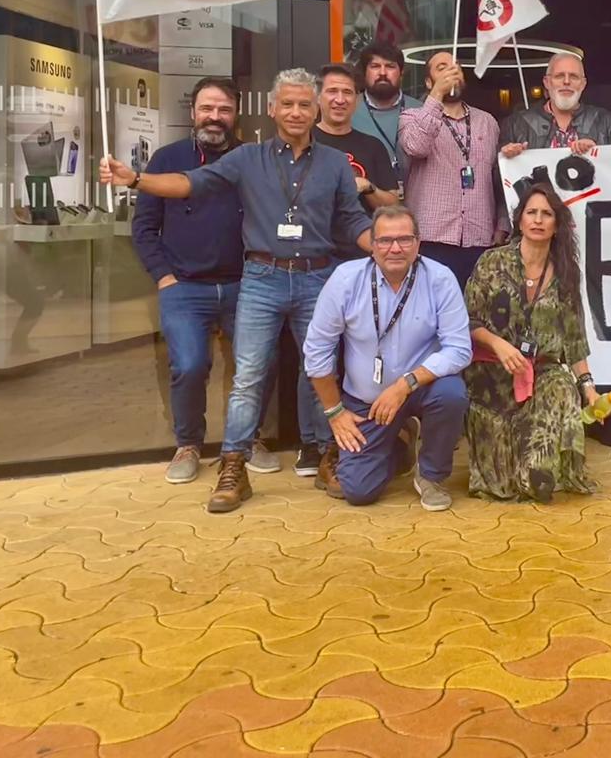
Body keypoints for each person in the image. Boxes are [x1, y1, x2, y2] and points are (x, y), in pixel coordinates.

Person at [100, 68, 373, 511]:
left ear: (316, 108)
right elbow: (189, 183)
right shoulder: (248, 159)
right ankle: (233, 468)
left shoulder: (335, 165)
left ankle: (329, 456)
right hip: (261, 280)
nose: (297, 112)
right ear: (272, 109)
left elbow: (353, 220)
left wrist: (385, 247)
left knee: (321, 371)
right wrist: (135, 180)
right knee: (247, 377)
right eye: (288, 103)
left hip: (316, 280)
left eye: (305, 104)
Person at [130, 76, 281, 483]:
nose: (215, 117)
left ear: (235, 114)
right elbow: (143, 227)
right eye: (207, 109)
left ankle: (247, 442)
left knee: (256, 365)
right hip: (184, 286)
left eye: (224, 109)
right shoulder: (166, 159)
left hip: (245, 283)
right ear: (193, 113)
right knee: (191, 365)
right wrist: (163, 277)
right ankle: (189, 444)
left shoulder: (253, 159)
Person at [302, 205, 471, 509]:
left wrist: (405, 384)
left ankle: (431, 475)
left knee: (452, 394)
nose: (395, 248)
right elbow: (317, 349)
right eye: (385, 240)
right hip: (367, 401)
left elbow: (459, 349)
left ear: (418, 243)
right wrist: (335, 413)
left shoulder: (440, 279)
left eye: (404, 240)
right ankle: (401, 441)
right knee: (358, 492)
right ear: (372, 244)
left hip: (421, 389)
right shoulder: (345, 279)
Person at [464, 182, 606, 501]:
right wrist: (498, 345)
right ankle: (517, 466)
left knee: (561, 387)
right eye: (532, 213)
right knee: (497, 483)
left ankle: (538, 470)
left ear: (557, 225)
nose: (538, 220)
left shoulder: (567, 273)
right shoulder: (491, 262)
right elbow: (467, 320)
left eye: (547, 214)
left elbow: (573, 339)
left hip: (542, 370)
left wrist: (589, 388)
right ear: (520, 220)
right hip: (492, 373)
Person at [401, 51, 505, 287]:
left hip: (479, 237)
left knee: (475, 314)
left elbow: (498, 178)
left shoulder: (487, 121)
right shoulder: (411, 116)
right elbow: (416, 146)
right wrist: (437, 94)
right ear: (428, 81)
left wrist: (502, 224)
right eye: (441, 68)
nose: (451, 72)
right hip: (431, 238)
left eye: (456, 67)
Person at [315, 64, 401, 256]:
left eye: (347, 92)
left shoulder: (373, 146)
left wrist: (367, 187)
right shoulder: (304, 142)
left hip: (361, 255)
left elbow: (393, 205)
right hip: (313, 261)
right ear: (318, 97)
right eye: (332, 91)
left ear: (356, 100)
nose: (340, 99)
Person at [500, 52, 611, 154]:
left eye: (573, 76)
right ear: (547, 82)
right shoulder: (516, 123)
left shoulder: (604, 120)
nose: (567, 81)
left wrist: (598, 152)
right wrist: (507, 157)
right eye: (559, 76)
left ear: (583, 84)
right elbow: (497, 176)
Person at [349, 41, 409, 187]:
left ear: (401, 73)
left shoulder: (421, 110)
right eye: (375, 66)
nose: (382, 73)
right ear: (364, 72)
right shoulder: (348, 110)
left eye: (390, 66)